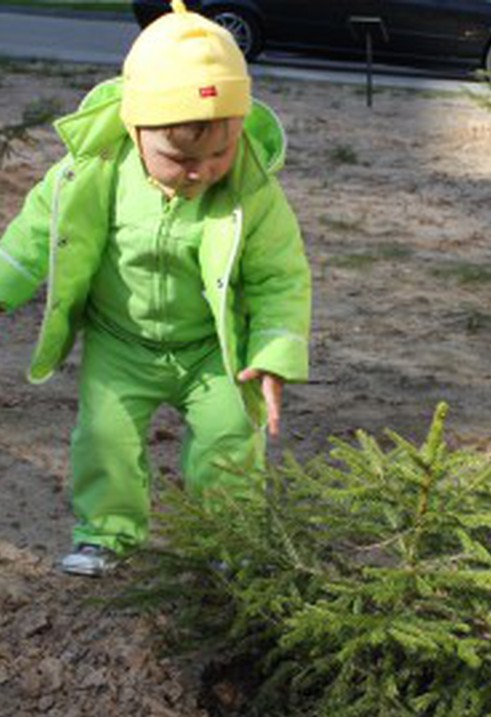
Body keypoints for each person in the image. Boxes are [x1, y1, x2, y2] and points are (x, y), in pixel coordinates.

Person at [0, 0, 311, 576]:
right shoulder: (91, 170)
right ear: (134, 127)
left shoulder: (251, 189)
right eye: (180, 158)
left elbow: (280, 275)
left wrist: (273, 354)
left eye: (220, 151)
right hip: (121, 343)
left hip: (214, 351)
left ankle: (227, 538)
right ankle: (105, 535)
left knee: (229, 443)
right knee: (104, 440)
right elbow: (33, 236)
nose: (203, 170)